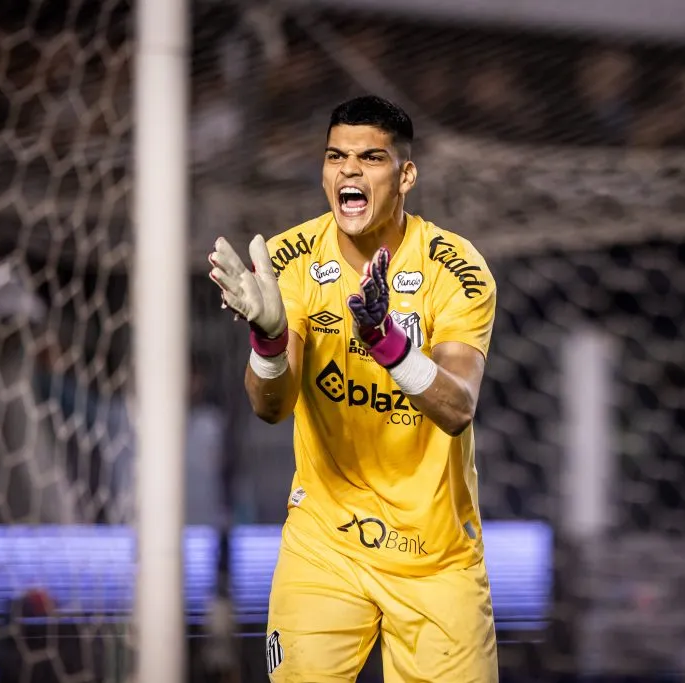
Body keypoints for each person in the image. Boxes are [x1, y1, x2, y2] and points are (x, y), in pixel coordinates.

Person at [208, 95, 498, 682]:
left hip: (435, 558)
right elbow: (270, 408)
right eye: (336, 157)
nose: (349, 171)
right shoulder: (288, 261)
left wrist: (387, 342)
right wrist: (268, 338)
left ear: (406, 174)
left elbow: (458, 408)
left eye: (370, 158)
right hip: (325, 549)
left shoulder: (456, 269)